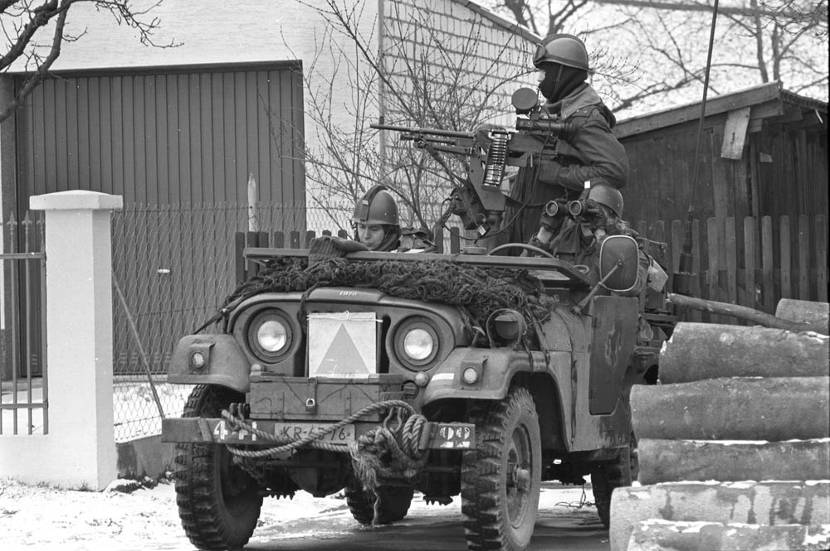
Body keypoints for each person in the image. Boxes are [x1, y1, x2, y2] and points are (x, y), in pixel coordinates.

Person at [506, 33, 629, 244]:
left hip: (557, 234)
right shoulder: (556, 111)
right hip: (527, 225)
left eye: (544, 72)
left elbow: (614, 171)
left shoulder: (584, 118)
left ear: (561, 74)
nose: (539, 79)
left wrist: (559, 174)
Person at [352, 185, 401, 252]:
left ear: (389, 232)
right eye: (362, 227)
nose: (366, 236)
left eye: (374, 229)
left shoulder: (407, 258)